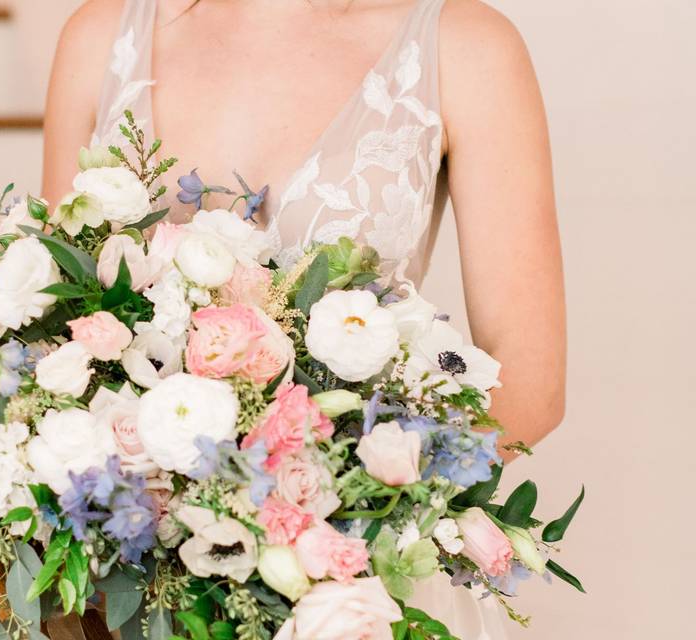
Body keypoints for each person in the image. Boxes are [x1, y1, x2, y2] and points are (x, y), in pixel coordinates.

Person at [43, 2, 565, 636]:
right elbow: (60, 331)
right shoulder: (101, 36)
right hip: (125, 592)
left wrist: (313, 531)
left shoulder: (466, 46)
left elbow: (530, 389)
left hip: (343, 593)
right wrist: (165, 539)